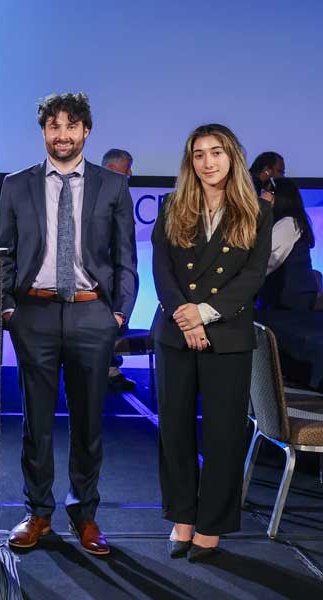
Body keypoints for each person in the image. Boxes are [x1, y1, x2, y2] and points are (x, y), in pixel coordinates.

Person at [0, 93, 137, 555]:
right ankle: (38, 513)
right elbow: (5, 255)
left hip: (92, 314)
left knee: (89, 422)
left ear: (86, 131)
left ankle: (85, 515)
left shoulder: (111, 187)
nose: (62, 135)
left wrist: (117, 314)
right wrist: (8, 309)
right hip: (33, 315)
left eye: (71, 126)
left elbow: (124, 260)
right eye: (53, 126)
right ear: (44, 132)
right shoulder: (16, 185)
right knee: (36, 423)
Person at [151, 124, 272, 561]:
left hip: (229, 335)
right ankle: (182, 518)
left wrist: (203, 314)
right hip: (174, 333)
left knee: (223, 436)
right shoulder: (172, 205)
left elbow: (253, 276)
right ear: (190, 162)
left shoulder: (258, 210)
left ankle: (212, 526)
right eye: (199, 154)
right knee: (176, 431)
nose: (208, 162)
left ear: (232, 157)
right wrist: (186, 318)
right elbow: (162, 271)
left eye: (216, 153)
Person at [101, 148, 136, 392]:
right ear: (113, 170)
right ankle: (106, 370)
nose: (131, 173)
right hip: (108, 275)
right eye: (127, 168)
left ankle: (111, 369)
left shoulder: (120, 194)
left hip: (121, 270)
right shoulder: (101, 196)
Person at [258, 178, 321, 311]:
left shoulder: (289, 223)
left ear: (279, 196)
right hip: (286, 299)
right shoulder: (287, 222)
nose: (261, 196)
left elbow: (267, 259)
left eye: (266, 192)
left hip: (291, 302)